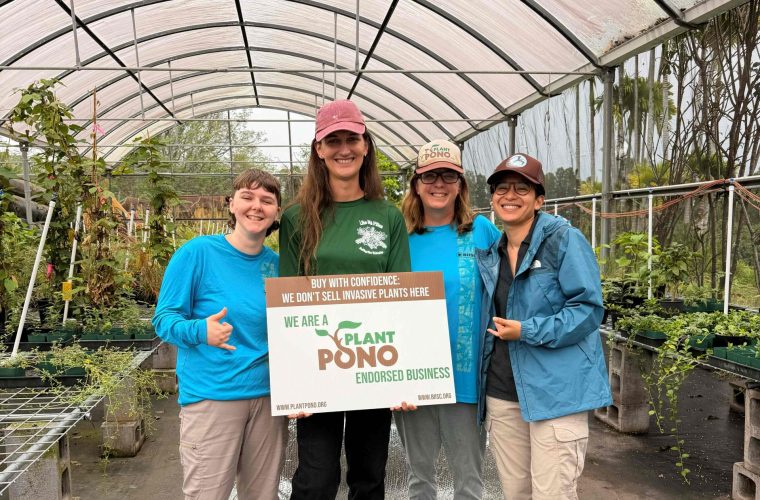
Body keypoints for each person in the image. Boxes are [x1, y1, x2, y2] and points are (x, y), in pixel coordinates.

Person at [279, 99, 411, 499]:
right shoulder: (297, 217)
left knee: (368, 475)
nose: (343, 149)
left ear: (365, 145)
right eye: (332, 140)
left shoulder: (387, 216)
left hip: (372, 362)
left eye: (351, 138)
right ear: (318, 150)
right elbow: (288, 301)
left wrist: (406, 375)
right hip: (319, 364)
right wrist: (293, 384)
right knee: (316, 478)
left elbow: (401, 299)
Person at [476, 153, 611, 500]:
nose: (510, 195)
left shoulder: (563, 240)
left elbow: (588, 311)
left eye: (522, 188)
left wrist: (527, 330)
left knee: (553, 493)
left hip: (557, 393)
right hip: (504, 393)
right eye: (502, 188)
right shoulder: (492, 252)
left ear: (539, 200)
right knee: (516, 492)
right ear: (492, 199)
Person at [152, 168, 288, 500]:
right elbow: (164, 319)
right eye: (247, 197)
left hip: (268, 400)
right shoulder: (197, 253)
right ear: (230, 204)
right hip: (214, 397)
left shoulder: (278, 266)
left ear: (276, 212)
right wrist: (201, 330)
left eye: (267, 200)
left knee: (262, 494)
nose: (256, 207)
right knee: (208, 493)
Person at [396, 139, 501, 499]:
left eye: (448, 176)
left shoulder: (481, 231)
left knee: (469, 480)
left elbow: (511, 283)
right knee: (419, 478)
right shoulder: (400, 236)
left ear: (460, 185)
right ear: (416, 184)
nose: (438, 184)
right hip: (412, 376)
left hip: (466, 375)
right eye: (429, 177)